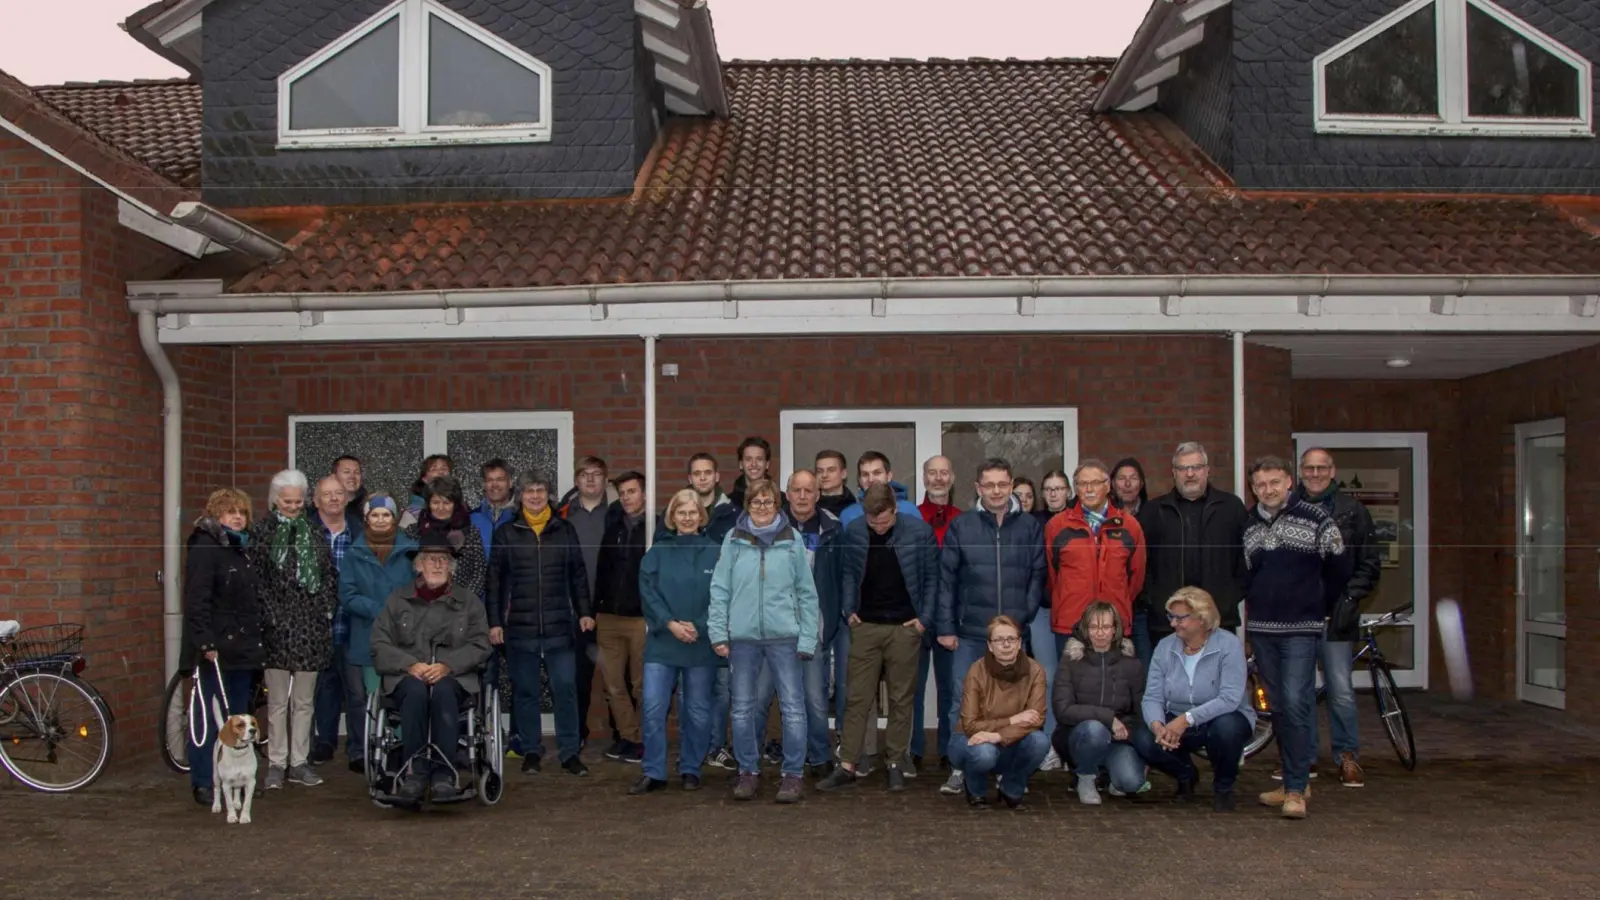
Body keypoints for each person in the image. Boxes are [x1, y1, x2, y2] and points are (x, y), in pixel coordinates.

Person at [1244, 456, 1350, 820]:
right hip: (1263, 630)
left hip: (1301, 630)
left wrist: (1316, 603)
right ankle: (1296, 780)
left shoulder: (1317, 519)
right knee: (1276, 707)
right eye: (1260, 485)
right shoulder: (1249, 525)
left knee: (1295, 702)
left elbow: (1339, 568)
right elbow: (1247, 575)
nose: (1268, 490)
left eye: (1274, 482)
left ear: (1289, 482)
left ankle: (1295, 789)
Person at [934, 458, 1046, 798]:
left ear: (1011, 485)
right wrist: (946, 626)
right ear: (978, 488)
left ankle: (1007, 767)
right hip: (971, 633)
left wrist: (1022, 618)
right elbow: (947, 580)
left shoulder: (1029, 527)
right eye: (989, 485)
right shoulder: (961, 526)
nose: (996, 491)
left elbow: (1037, 575)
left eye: (1002, 484)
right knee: (961, 703)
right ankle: (960, 767)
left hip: (1013, 635)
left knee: (1015, 703)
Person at [817, 484, 938, 792]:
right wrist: (849, 611)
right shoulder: (855, 530)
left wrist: (923, 621)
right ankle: (847, 763)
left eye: (884, 521)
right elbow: (848, 573)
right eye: (873, 522)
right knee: (857, 697)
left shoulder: (919, 533)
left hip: (905, 627)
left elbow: (932, 579)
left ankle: (895, 762)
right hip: (865, 626)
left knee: (901, 699)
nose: (879, 527)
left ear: (895, 509)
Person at [709, 480, 820, 804]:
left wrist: (807, 638)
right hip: (743, 638)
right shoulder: (733, 538)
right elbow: (720, 588)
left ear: (777, 505)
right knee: (742, 708)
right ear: (747, 505)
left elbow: (806, 593)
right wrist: (718, 632)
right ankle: (748, 770)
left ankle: (793, 774)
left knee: (793, 708)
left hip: (785, 637)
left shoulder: (792, 539)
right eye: (756, 502)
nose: (761, 507)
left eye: (768, 502)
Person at [369, 531, 492, 803]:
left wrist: (448, 665)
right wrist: (408, 664)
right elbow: (379, 642)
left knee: (444, 691)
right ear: (419, 565)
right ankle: (415, 773)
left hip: (455, 678)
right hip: (407, 676)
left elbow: (481, 644)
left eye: (443, 559)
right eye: (430, 559)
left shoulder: (469, 602)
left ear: (451, 566)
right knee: (415, 692)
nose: (437, 564)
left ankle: (444, 775)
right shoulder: (398, 600)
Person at [488, 472, 594, 777]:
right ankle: (531, 751)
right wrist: (495, 622)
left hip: (560, 627)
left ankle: (570, 753)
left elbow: (578, 574)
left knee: (565, 690)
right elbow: (494, 581)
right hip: (520, 629)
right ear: (520, 496)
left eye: (541, 490)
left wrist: (584, 611)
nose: (535, 496)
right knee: (526, 693)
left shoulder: (564, 530)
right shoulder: (506, 533)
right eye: (529, 491)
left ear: (548, 495)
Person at [1292, 447, 1382, 788]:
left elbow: (1369, 563)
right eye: (1309, 468)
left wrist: (1348, 598)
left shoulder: (1352, 511)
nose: (1315, 474)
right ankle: (1305, 760)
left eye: (1322, 468)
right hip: (1298, 617)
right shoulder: (1288, 509)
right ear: (1301, 471)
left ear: (1332, 472)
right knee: (1299, 692)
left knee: (1341, 690)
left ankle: (1347, 757)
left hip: (1336, 616)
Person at [249, 469, 338, 791]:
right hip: (276, 626)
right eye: (288, 502)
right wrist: (270, 616)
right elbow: (256, 579)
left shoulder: (313, 532)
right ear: (275, 500)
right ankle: (276, 763)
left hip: (310, 625)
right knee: (277, 701)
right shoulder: (263, 532)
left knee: (304, 700)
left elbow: (328, 574)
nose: (293, 507)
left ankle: (299, 762)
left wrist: (325, 609)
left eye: (298, 502)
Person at [632, 489, 725, 794]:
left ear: (701, 516)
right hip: (663, 641)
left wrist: (699, 625)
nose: (687, 518)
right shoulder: (657, 552)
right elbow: (648, 592)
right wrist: (670, 623)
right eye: (681, 512)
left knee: (697, 710)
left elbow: (722, 596)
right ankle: (654, 771)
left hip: (701, 642)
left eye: (692, 512)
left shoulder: (716, 552)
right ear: (672, 517)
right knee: (653, 707)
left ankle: (691, 768)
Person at [1131, 587, 1256, 813]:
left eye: (1180, 618)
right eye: (1171, 617)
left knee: (1226, 729)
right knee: (1143, 737)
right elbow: (1152, 696)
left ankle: (1224, 787)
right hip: (1177, 717)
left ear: (1202, 618)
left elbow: (1230, 698)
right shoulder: (1165, 646)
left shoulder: (1229, 645)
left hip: (1221, 716)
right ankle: (1186, 775)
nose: (1173, 623)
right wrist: (1158, 726)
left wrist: (1186, 719)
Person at [1134, 442, 1249, 666]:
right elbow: (1140, 563)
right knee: (1170, 682)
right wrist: (1156, 601)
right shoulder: (1153, 511)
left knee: (1216, 681)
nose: (1190, 474)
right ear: (1173, 473)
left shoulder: (1231, 508)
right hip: (1167, 623)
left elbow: (1245, 560)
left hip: (1218, 621)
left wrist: (1227, 600)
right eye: (1183, 468)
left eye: (1196, 467)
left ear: (1207, 470)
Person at [182, 488, 263, 807]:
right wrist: (204, 640)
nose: (238, 517)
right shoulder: (206, 547)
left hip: (242, 647)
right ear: (217, 515)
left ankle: (237, 778)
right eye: (231, 512)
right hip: (215, 647)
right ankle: (204, 780)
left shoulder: (242, 548)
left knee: (238, 719)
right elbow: (197, 598)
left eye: (242, 512)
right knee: (208, 717)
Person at [337, 494, 416, 774]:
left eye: (386, 515)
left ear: (394, 519)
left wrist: (401, 611)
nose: (381, 520)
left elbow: (419, 589)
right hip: (367, 636)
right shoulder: (355, 553)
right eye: (375, 515)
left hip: (405, 638)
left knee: (404, 695)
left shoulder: (411, 550)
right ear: (367, 519)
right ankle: (375, 752)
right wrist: (378, 609)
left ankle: (405, 752)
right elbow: (347, 595)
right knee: (372, 699)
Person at [950, 615, 1049, 810]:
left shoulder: (1035, 670)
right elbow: (970, 725)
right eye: (999, 639)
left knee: (1040, 742)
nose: (1006, 645)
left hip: (1009, 740)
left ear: (1019, 643)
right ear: (989, 645)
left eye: (1011, 639)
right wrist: (1013, 719)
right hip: (970, 740)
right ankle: (976, 790)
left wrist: (997, 736)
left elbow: (1036, 718)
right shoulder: (976, 671)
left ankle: (1011, 788)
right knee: (985, 752)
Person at [1051, 601, 1146, 805]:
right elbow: (1063, 710)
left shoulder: (1131, 663)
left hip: (1117, 739)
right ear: (1085, 629)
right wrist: (1108, 719)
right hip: (1079, 735)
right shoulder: (1071, 660)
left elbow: (1140, 709)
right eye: (1094, 627)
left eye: (1106, 627)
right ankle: (1085, 777)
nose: (1100, 633)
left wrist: (1128, 732)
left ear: (1115, 629)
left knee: (1131, 782)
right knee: (1095, 730)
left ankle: (1107, 774)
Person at [1046, 459, 1147, 647]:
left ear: (1107, 486)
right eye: (1083, 484)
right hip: (1071, 625)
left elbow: (1136, 578)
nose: (1089, 489)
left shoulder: (1130, 526)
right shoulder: (1056, 526)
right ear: (1075, 488)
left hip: (1114, 626)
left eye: (1095, 483)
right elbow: (1052, 576)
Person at [594, 471, 650, 764]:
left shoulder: (656, 529)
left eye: (632, 491)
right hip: (609, 618)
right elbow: (602, 570)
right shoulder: (613, 528)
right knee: (613, 684)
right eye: (623, 493)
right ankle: (629, 737)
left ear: (645, 494)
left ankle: (645, 739)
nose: (627, 498)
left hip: (641, 619)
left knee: (642, 685)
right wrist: (595, 609)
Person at [559, 455, 614, 753]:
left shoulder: (617, 512)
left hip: (611, 607)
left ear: (606, 479)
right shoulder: (564, 515)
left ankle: (624, 737)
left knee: (617, 676)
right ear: (576, 480)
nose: (591, 479)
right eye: (584, 474)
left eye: (596, 474)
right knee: (578, 675)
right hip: (574, 608)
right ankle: (577, 733)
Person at [914, 454, 960, 772]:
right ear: (924, 478)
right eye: (933, 473)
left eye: (944, 473)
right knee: (912, 688)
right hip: (916, 613)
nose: (938, 478)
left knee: (950, 687)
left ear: (952, 478)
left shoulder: (964, 520)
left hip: (952, 615)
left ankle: (949, 749)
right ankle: (913, 749)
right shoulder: (911, 517)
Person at [309, 474, 355, 767]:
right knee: (324, 687)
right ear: (316, 501)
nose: (334, 498)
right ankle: (324, 741)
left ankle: (357, 748)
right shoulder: (306, 533)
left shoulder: (359, 531)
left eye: (339, 493)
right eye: (327, 494)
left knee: (355, 688)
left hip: (353, 621)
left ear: (347, 498)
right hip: (318, 624)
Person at [837, 451, 922, 526]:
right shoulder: (848, 515)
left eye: (877, 473)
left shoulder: (909, 510)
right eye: (865, 474)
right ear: (859, 480)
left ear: (889, 476)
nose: (871, 479)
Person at [402, 454, 454, 528]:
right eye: (434, 469)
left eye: (444, 468)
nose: (440, 472)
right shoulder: (414, 511)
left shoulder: (459, 506)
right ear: (425, 479)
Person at [727, 436, 773, 509]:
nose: (754, 464)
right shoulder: (729, 503)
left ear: (767, 464)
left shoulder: (781, 501)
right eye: (748, 459)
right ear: (741, 464)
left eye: (759, 459)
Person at [814, 449, 857, 518]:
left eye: (831, 470)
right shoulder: (808, 505)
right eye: (820, 471)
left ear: (843, 473)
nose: (824, 475)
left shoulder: (856, 509)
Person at [333, 455, 366, 528]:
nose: (352, 477)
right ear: (334, 476)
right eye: (347, 472)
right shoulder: (319, 508)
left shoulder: (371, 507)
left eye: (357, 472)